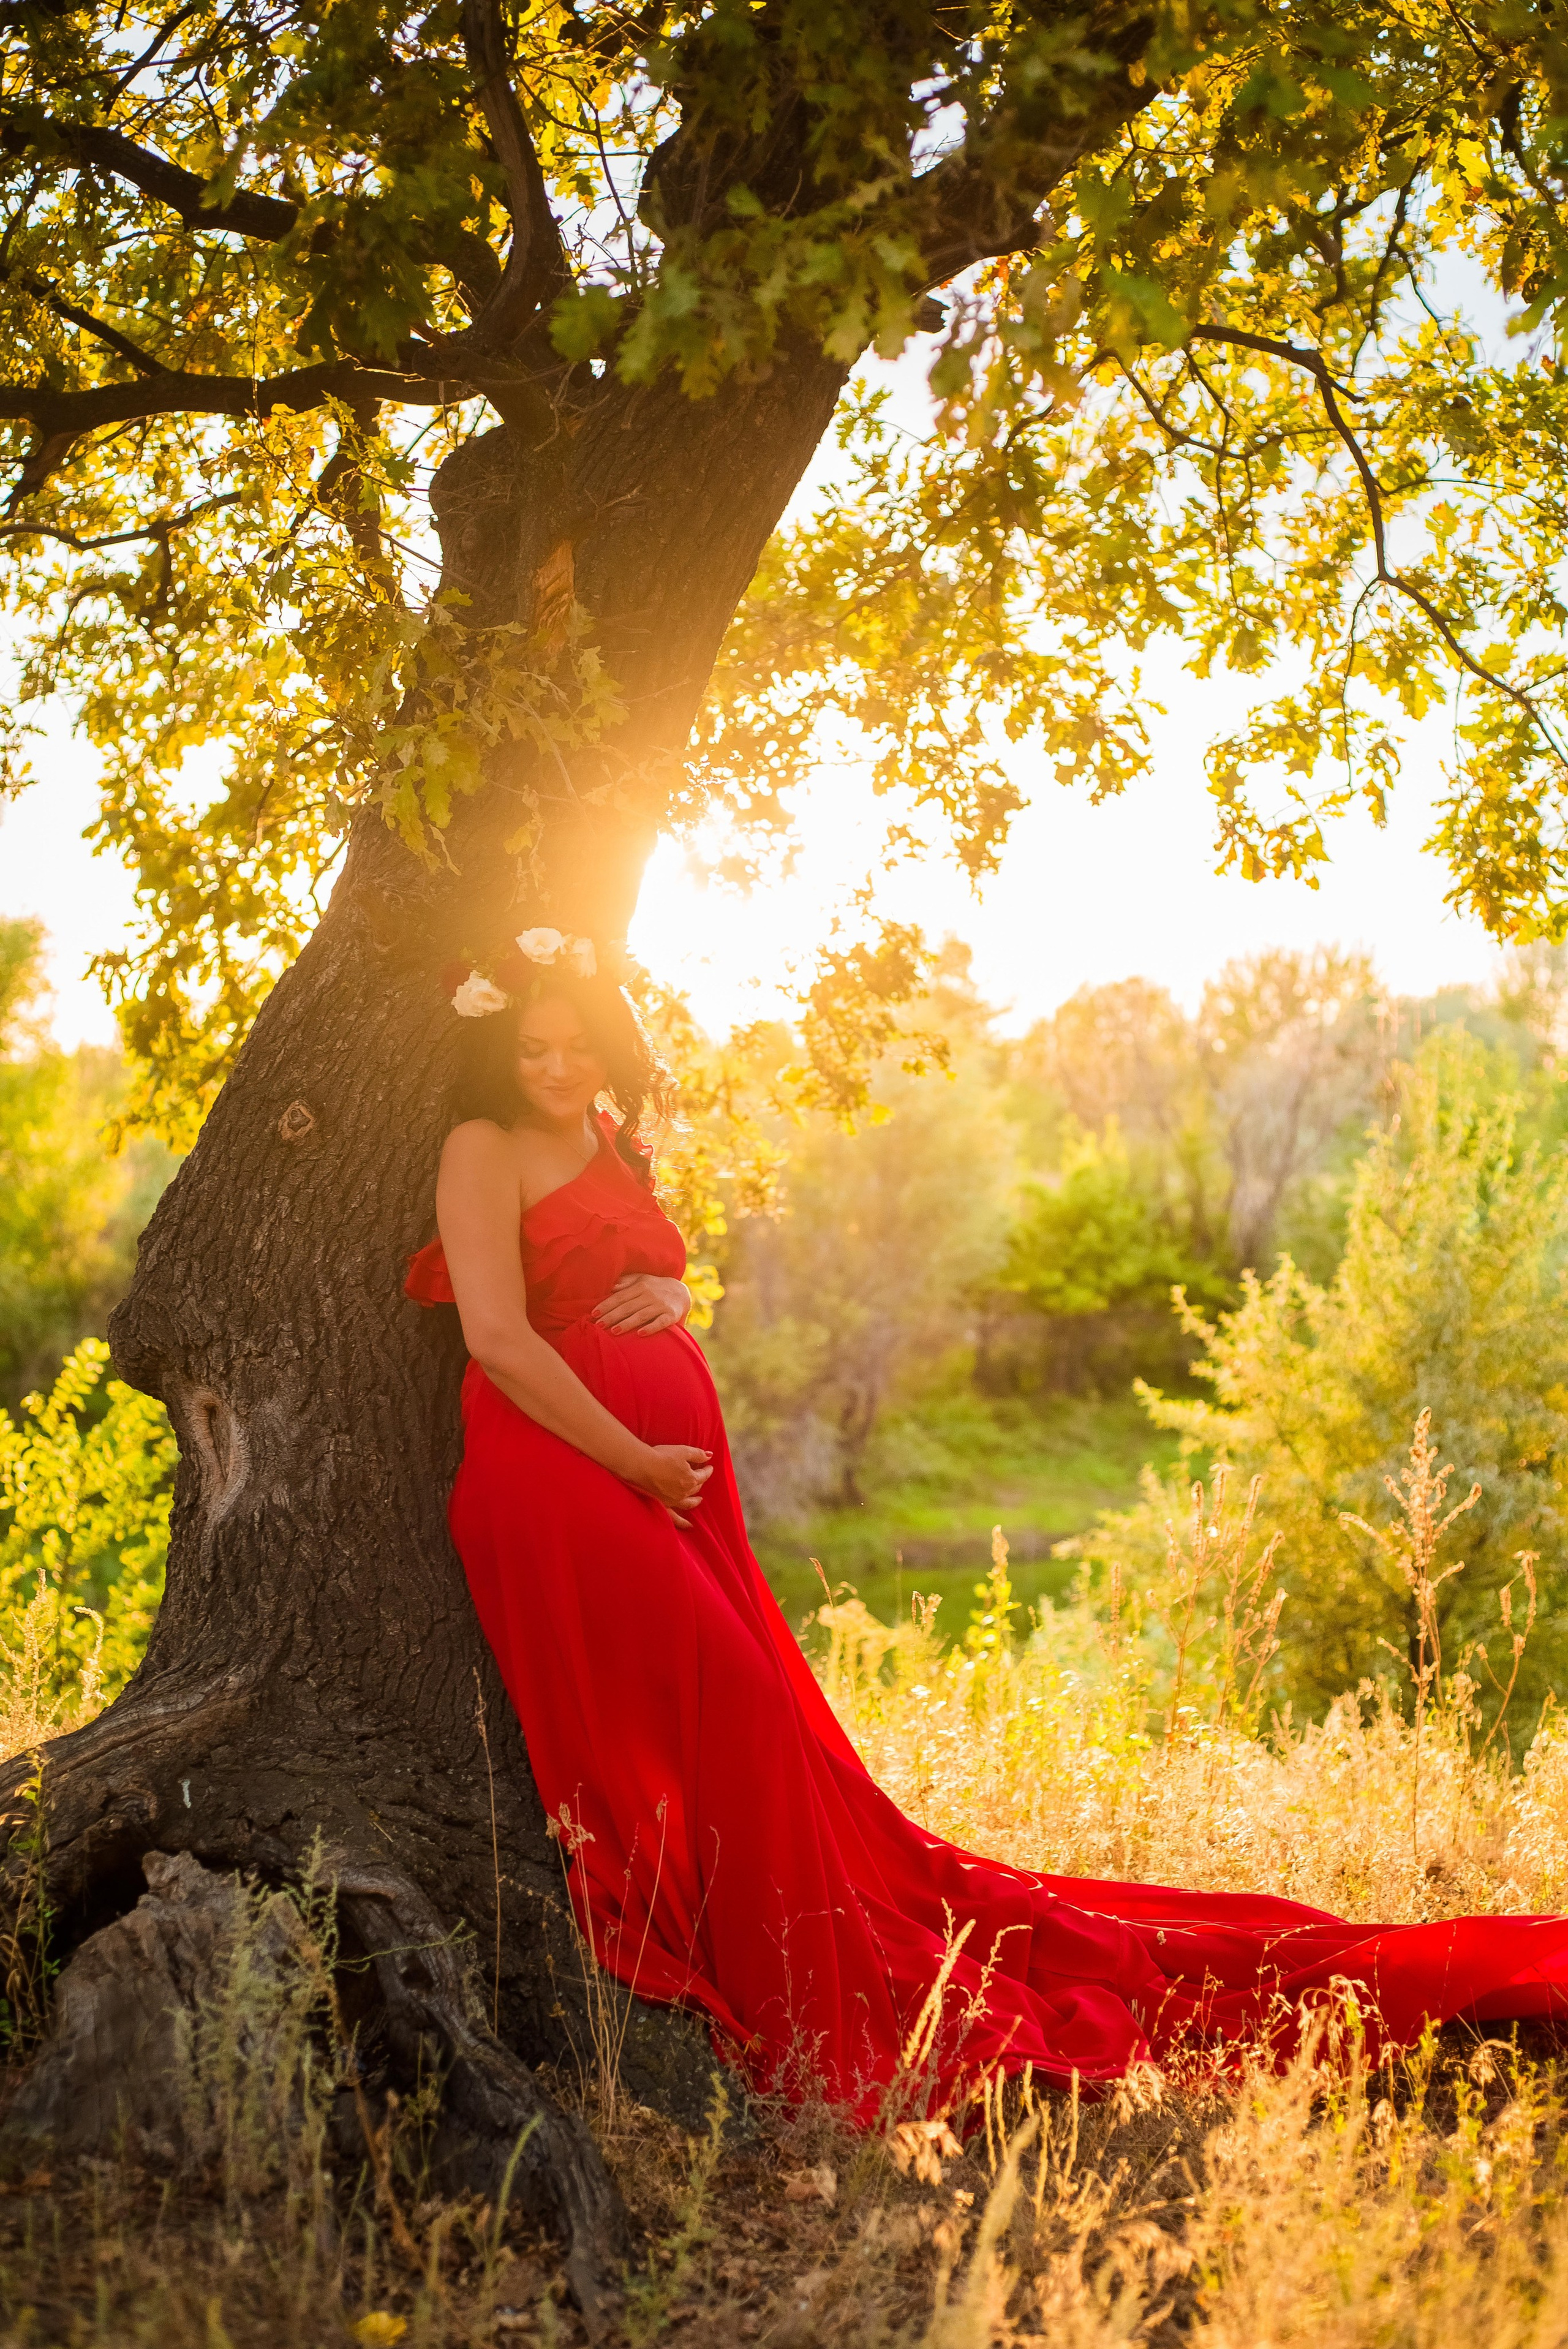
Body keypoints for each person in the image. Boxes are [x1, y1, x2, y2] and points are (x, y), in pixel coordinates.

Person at [408, 932, 1568, 2121]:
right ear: (501, 1050)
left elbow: (623, 1271)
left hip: (659, 1485)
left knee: (755, 1734)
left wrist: (676, 1292)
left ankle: (768, 1934)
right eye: (533, 1047)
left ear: (608, 1039)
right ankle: (770, 1977)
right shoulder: (481, 1147)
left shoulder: (610, 1137)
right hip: (563, 1475)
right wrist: (636, 1457)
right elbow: (498, 1336)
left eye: (577, 1042)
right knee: (736, 1715)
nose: (557, 1065)